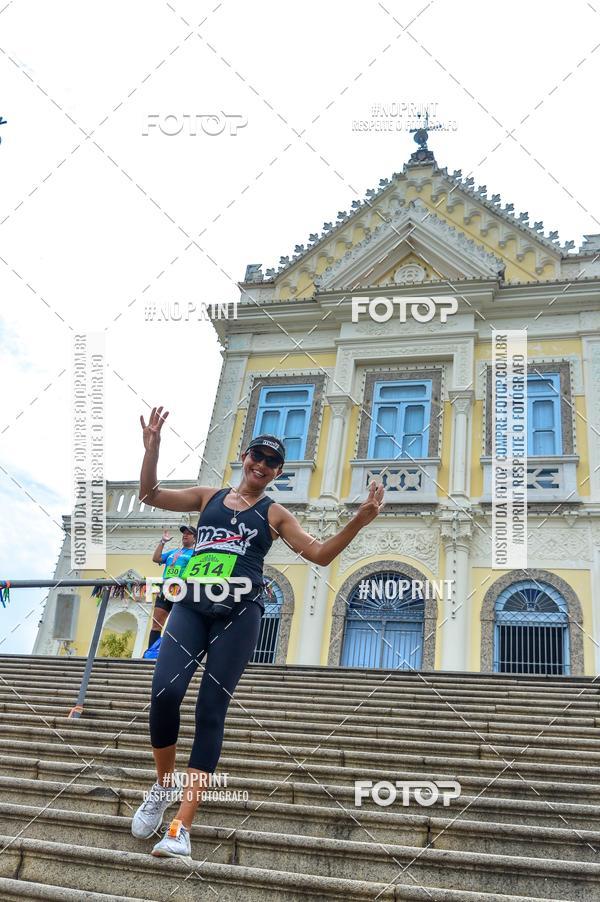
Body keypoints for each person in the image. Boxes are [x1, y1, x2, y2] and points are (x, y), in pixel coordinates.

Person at [132, 405, 384, 859]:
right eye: (257, 456)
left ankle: (180, 829)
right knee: (164, 694)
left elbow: (321, 554)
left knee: (210, 710)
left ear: (278, 473)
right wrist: (152, 449)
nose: (261, 465)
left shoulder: (275, 514)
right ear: (244, 457)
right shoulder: (208, 497)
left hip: (238, 616)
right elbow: (149, 493)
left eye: (271, 462)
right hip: (191, 606)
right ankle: (162, 785)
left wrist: (358, 521)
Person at [145, 525, 197, 653]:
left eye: (188, 533)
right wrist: (162, 542)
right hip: (165, 588)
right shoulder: (173, 552)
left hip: (181, 589)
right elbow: (156, 558)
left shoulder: (195, 554)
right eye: (183, 533)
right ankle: (152, 653)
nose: (185, 535)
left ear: (195, 538)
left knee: (176, 625)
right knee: (157, 623)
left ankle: (174, 654)